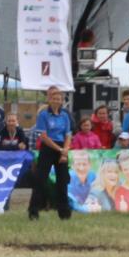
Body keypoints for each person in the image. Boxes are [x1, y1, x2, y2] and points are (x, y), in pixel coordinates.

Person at [28, 86, 73, 221]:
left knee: (63, 181)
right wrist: (59, 150)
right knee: (40, 181)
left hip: (61, 149)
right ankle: (33, 211)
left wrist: (65, 151)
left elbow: (68, 134)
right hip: (48, 148)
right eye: (54, 98)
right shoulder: (43, 115)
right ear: (49, 99)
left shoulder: (65, 115)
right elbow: (43, 136)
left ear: (62, 100)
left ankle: (64, 213)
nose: (56, 100)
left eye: (59, 98)